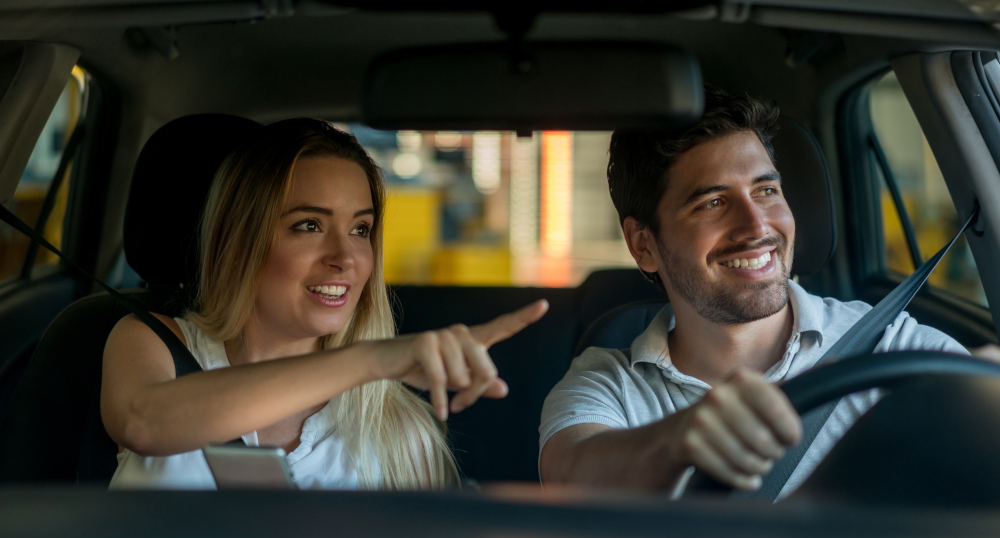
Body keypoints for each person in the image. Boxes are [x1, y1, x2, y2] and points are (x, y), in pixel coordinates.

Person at [538, 87, 970, 500]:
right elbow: (572, 476)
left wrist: (981, 406)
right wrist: (679, 438)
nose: (758, 227)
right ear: (643, 244)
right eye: (712, 202)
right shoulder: (610, 387)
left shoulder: (891, 348)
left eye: (766, 191)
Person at [102, 119, 547, 490]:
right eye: (309, 225)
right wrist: (370, 360)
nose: (345, 258)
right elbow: (143, 423)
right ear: (239, 238)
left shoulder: (401, 434)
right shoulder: (157, 343)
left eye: (360, 230)